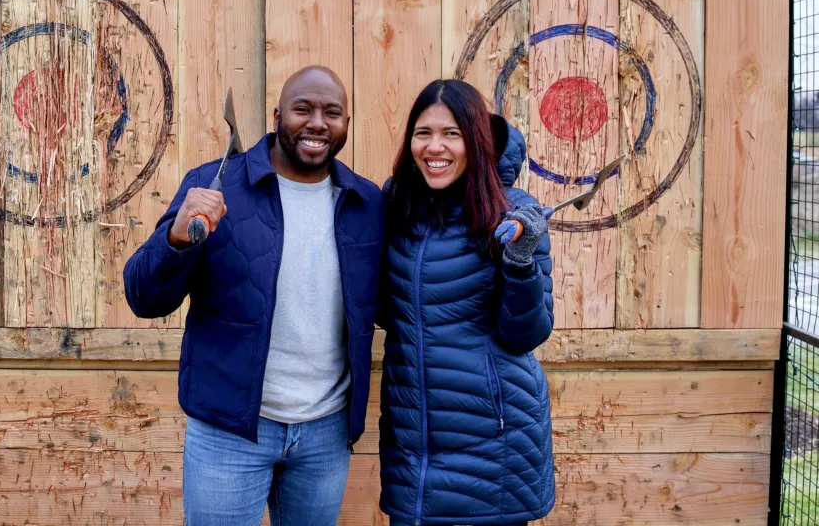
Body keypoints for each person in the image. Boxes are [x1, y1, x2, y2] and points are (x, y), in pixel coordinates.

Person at [123, 65, 385, 526]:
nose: (317, 123)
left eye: (333, 113)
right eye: (302, 109)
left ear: (347, 123)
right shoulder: (214, 185)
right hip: (230, 429)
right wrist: (176, 241)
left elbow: (389, 302)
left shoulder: (365, 203)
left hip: (326, 432)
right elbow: (144, 297)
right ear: (277, 114)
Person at [376, 79, 555, 526]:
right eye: (424, 133)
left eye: (451, 134)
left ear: (474, 139)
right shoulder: (396, 209)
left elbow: (525, 334)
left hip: (493, 448)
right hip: (413, 448)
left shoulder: (511, 213)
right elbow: (383, 309)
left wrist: (519, 262)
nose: (435, 147)